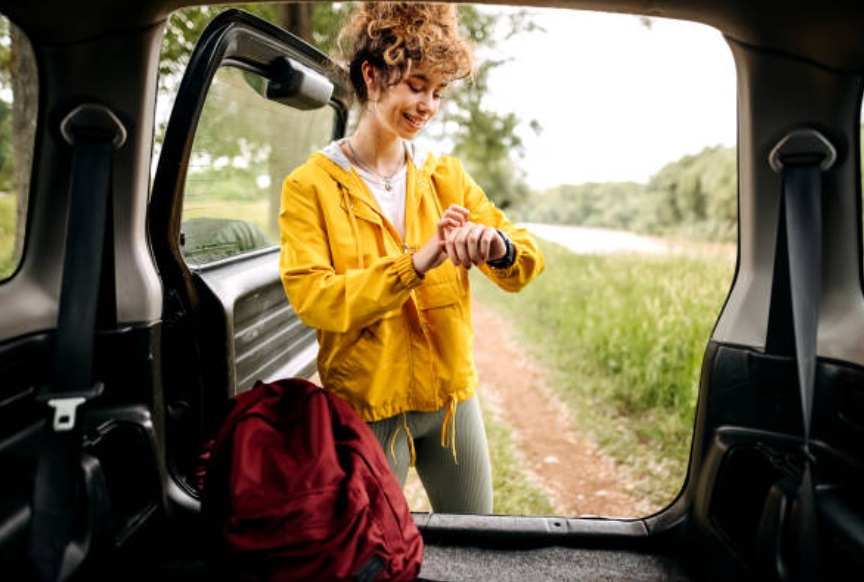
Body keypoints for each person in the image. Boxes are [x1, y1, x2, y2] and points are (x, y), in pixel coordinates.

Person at [279, 1, 544, 514]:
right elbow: (318, 300)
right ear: (372, 76)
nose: (428, 105)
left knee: (477, 541)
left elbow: (525, 260)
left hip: (450, 401)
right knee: (371, 550)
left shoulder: (446, 176)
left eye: (438, 92)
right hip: (368, 405)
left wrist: (497, 244)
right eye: (416, 85)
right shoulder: (309, 186)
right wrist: (415, 263)